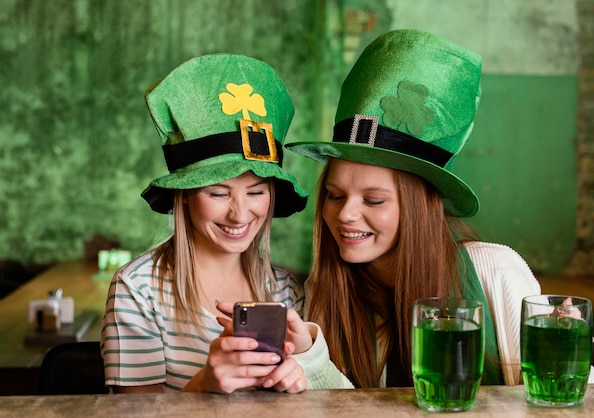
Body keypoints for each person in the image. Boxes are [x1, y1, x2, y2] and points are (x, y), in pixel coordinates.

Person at [286, 29, 541, 387]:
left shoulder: (495, 273)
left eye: (373, 200)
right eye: (335, 194)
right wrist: (310, 359)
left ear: (420, 207)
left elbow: (558, 398)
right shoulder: (325, 291)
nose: (344, 215)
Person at [100, 53, 311, 394]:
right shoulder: (138, 290)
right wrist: (203, 386)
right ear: (183, 195)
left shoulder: (287, 291)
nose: (240, 214)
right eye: (218, 194)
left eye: (255, 192)